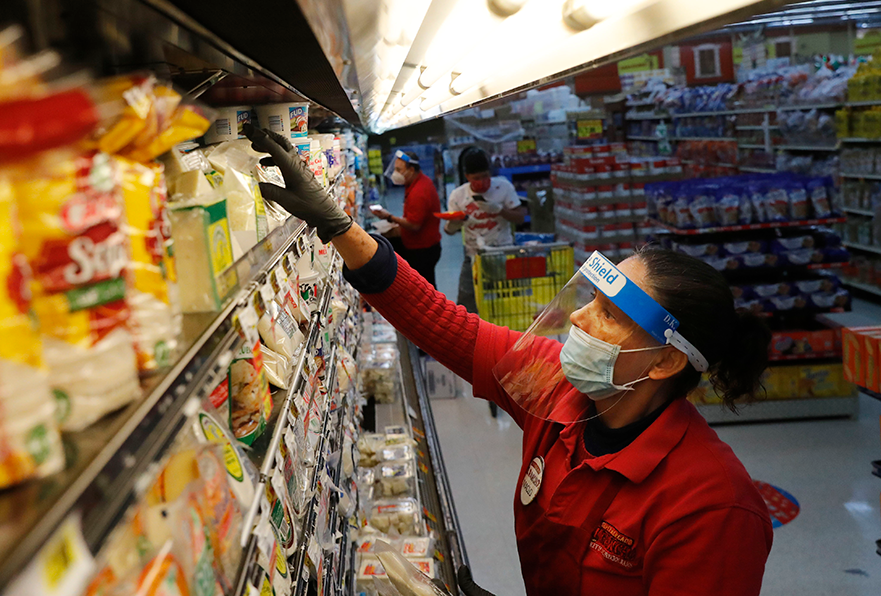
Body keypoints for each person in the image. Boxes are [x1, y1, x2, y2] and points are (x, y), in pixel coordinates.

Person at [244, 125, 774, 596]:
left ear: (663, 363)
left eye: (609, 316)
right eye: (589, 300)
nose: (580, 320)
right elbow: (444, 323)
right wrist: (341, 228)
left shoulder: (713, 507)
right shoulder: (557, 387)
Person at [445, 147, 527, 313]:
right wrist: (453, 224)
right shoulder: (457, 196)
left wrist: (500, 210)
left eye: (485, 176)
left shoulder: (503, 187)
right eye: (476, 178)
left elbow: (520, 216)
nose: (481, 182)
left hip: (503, 252)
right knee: (466, 303)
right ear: (467, 176)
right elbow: (448, 231)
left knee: (507, 301)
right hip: (473, 255)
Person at [372, 150, 442, 288]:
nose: (395, 173)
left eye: (399, 169)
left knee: (425, 290)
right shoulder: (417, 183)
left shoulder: (419, 191)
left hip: (422, 249)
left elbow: (414, 225)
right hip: (422, 244)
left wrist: (389, 217)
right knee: (426, 286)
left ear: (411, 170)